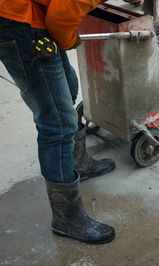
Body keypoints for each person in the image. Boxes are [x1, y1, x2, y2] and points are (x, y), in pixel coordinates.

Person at [0, 0, 116, 244]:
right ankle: (67, 218)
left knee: (67, 88)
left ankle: (77, 163)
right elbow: (60, 17)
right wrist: (67, 39)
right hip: (17, 23)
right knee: (57, 122)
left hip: (30, 15)